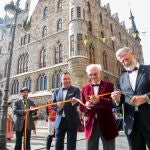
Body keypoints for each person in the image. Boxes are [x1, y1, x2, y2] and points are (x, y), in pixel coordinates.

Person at [111, 47, 150, 150]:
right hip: (131, 125)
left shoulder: (149, 69)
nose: (125, 63)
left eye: (126, 59)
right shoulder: (121, 79)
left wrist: (146, 98)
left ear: (133, 54)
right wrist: (116, 99)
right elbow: (119, 102)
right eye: (122, 62)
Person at [80, 64, 118, 150]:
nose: (93, 76)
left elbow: (113, 104)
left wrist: (100, 100)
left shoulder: (110, 85)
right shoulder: (84, 88)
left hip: (107, 123)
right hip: (91, 125)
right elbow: (82, 108)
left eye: (95, 74)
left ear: (100, 73)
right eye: (90, 74)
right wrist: (86, 105)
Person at [52, 71, 81, 150]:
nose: (67, 80)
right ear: (61, 80)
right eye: (65, 79)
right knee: (58, 144)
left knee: (71, 145)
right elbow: (53, 106)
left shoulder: (76, 90)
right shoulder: (56, 91)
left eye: (68, 78)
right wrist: (58, 107)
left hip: (72, 121)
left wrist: (74, 102)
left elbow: (78, 103)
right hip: (60, 121)